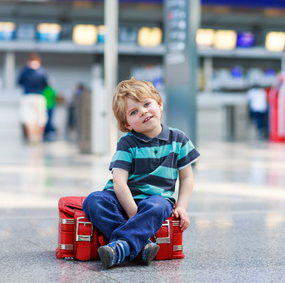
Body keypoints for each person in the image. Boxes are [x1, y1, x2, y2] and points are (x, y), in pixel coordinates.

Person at [82, 77, 200, 269]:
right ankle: (139, 245)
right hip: (121, 198)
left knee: (160, 206)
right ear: (127, 124)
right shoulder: (127, 143)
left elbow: (186, 177)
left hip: (155, 199)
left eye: (147, 104)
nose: (143, 111)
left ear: (160, 105)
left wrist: (183, 207)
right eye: (134, 112)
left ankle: (121, 246)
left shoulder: (178, 138)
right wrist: (134, 214)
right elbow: (119, 183)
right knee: (93, 200)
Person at [17, 53, 49, 143]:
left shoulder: (24, 71)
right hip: (39, 96)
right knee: (40, 118)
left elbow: (19, 82)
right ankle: (38, 137)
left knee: (29, 118)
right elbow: (46, 84)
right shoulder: (42, 71)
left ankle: (31, 137)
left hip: (27, 96)